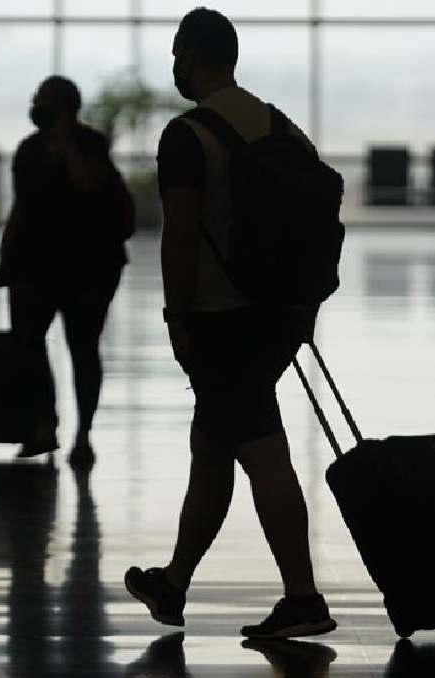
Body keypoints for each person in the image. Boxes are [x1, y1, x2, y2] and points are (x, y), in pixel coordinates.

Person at [123, 7, 337, 640]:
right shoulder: (281, 127)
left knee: (261, 449)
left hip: (221, 317)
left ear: (195, 55)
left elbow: (181, 233)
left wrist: (177, 314)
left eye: (177, 54)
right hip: (280, 313)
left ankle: (303, 597)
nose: (173, 66)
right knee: (212, 447)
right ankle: (173, 584)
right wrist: (300, 309)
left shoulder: (187, 136)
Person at [0, 76, 134, 467]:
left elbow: (88, 184)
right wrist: (7, 259)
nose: (37, 107)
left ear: (66, 108)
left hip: (88, 268)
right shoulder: (29, 151)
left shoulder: (89, 145)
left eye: (44, 102)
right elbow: (21, 208)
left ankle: (82, 433)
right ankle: (43, 424)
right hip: (36, 266)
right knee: (29, 345)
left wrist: (67, 142)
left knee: (82, 349)